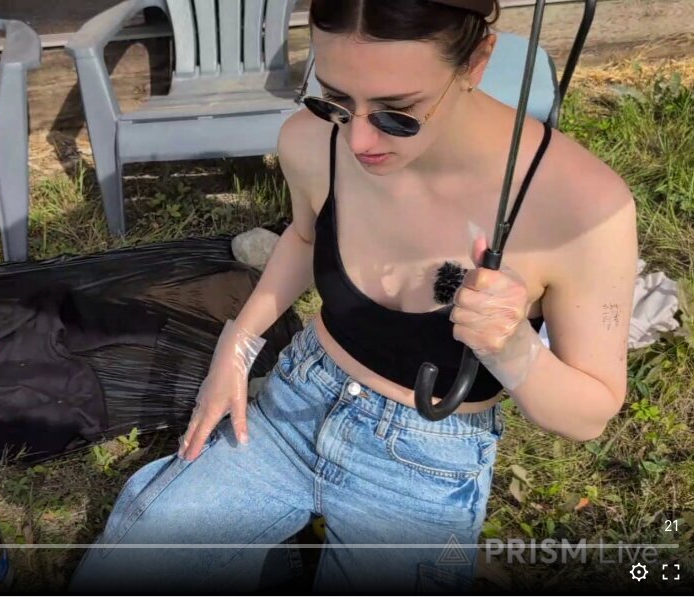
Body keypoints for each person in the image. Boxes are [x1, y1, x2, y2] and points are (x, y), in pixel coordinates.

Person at [69, 0, 637, 592]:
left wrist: (513, 348)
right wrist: (236, 347)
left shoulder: (582, 206)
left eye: (398, 113)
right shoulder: (312, 140)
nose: (359, 139)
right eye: (336, 99)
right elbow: (304, 235)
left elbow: (588, 414)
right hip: (295, 405)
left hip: (425, 463)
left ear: (476, 61)